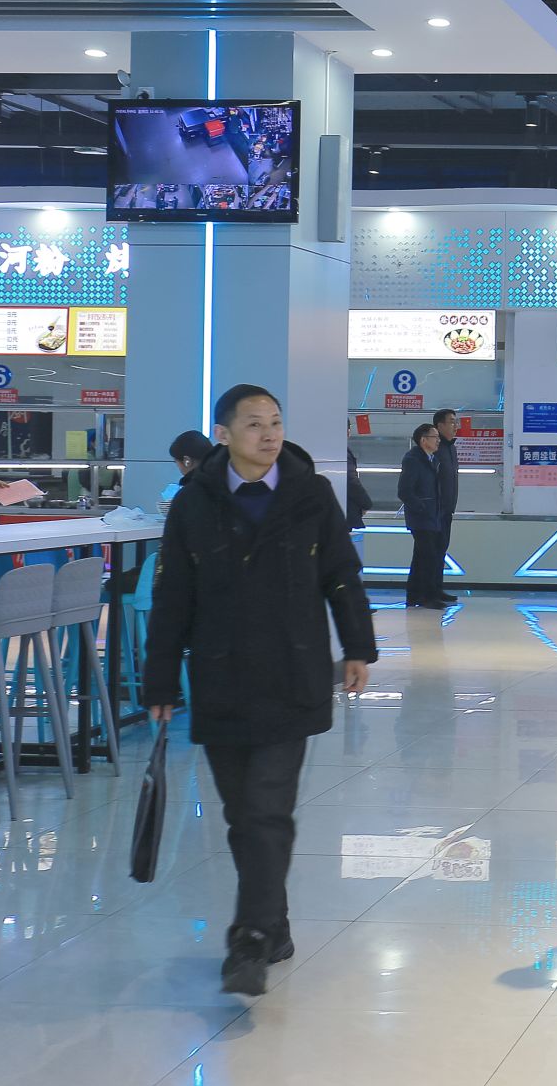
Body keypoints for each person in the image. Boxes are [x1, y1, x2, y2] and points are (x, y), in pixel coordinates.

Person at [144, 383, 376, 996]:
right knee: (242, 816)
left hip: (292, 674)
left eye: (275, 422)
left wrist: (357, 646)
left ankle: (248, 938)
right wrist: (160, 678)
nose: (269, 434)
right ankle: (274, 923)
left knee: (268, 808)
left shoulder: (310, 493)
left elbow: (341, 574)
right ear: (223, 434)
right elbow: (173, 596)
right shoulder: (194, 502)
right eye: (254, 424)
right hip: (220, 678)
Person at [397, 425, 446, 609]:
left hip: (432, 515)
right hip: (421, 517)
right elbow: (404, 491)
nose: (438, 440)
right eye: (435, 437)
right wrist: (421, 507)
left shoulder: (431, 459)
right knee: (428, 556)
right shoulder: (413, 460)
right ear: (423, 440)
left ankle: (414, 595)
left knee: (421, 557)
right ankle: (427, 596)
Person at [429, 410, 462, 604]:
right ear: (439, 426)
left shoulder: (451, 449)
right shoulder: (435, 449)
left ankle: (437, 588)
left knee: (441, 551)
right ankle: (429, 592)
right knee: (431, 554)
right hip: (435, 511)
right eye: (451, 422)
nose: (455, 426)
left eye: (456, 422)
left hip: (447, 510)